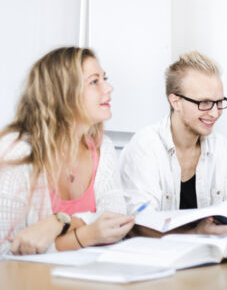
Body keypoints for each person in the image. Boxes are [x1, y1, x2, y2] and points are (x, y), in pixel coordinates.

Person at [120, 51, 227, 237]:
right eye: (205, 103)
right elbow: (141, 224)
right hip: (155, 261)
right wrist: (196, 233)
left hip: (206, 260)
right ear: (176, 101)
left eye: (219, 102)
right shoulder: (145, 146)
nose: (215, 113)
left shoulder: (221, 148)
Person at [0, 47, 133, 255]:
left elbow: (114, 220)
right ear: (63, 93)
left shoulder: (101, 147)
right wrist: (85, 235)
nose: (109, 88)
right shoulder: (15, 153)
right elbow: (6, 252)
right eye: (94, 81)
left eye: (105, 78)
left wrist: (60, 222)